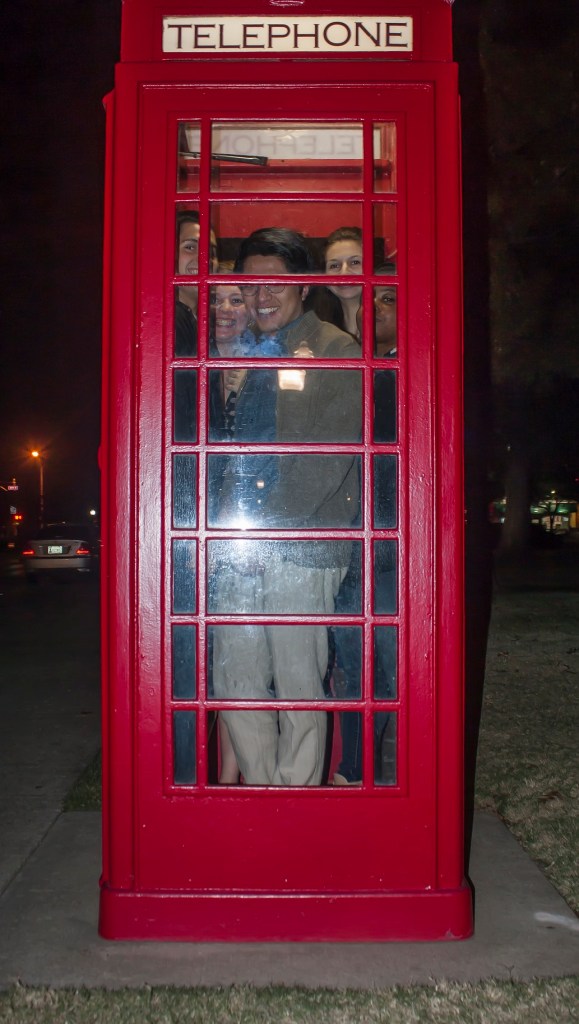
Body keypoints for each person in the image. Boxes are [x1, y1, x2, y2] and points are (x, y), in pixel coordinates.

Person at [212, 227, 361, 787]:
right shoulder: (244, 355)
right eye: (249, 286)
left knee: (300, 677)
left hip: (300, 544)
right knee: (234, 674)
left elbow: (330, 456)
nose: (261, 297)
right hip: (235, 542)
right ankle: (260, 788)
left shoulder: (333, 348)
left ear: (302, 284)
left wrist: (268, 533)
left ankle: (296, 794)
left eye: (274, 283)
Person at [331, 288, 398, 785]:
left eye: (388, 304)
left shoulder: (402, 372)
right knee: (352, 664)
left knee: (386, 668)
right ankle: (354, 768)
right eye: (366, 305)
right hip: (346, 536)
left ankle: (375, 769)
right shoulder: (345, 364)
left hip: (393, 542)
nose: (373, 312)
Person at [175, 210, 219, 357]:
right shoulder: (170, 320)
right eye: (190, 247)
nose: (204, 258)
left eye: (210, 251)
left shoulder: (209, 319)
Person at [323, 226, 364, 340]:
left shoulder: (389, 326)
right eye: (334, 265)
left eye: (355, 262)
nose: (344, 273)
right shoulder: (316, 330)